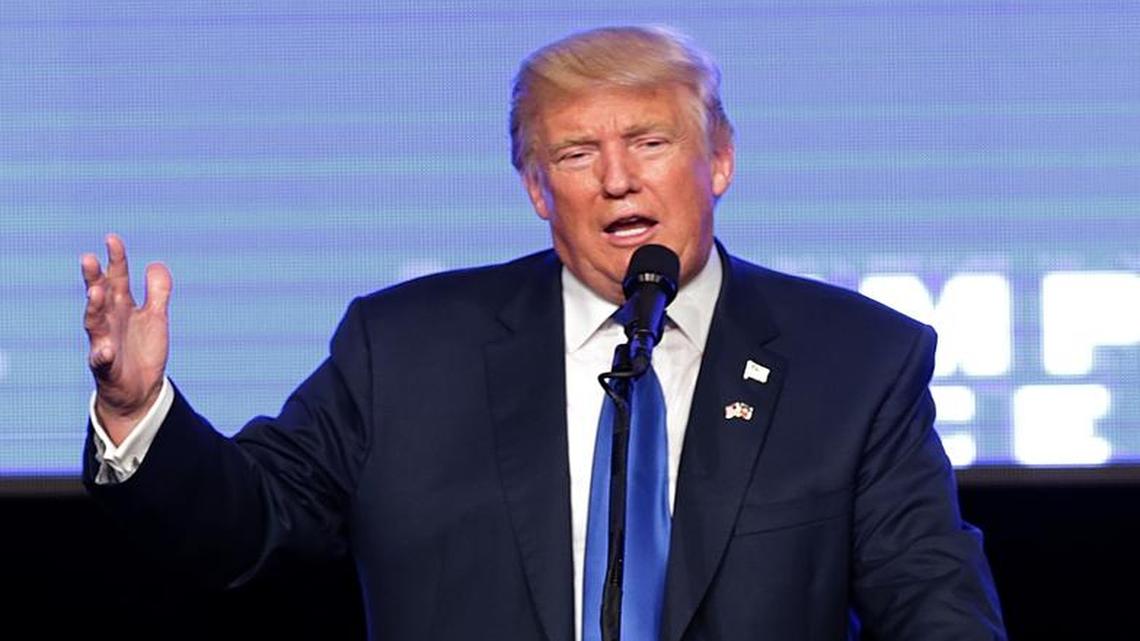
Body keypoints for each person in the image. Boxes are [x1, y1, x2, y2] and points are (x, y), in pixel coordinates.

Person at [81, 25, 1006, 641]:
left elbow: (935, 608)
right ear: (535, 188)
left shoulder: (853, 362)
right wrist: (138, 411)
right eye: (574, 154)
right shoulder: (404, 351)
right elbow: (247, 525)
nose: (617, 180)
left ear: (717, 159)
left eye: (649, 142)